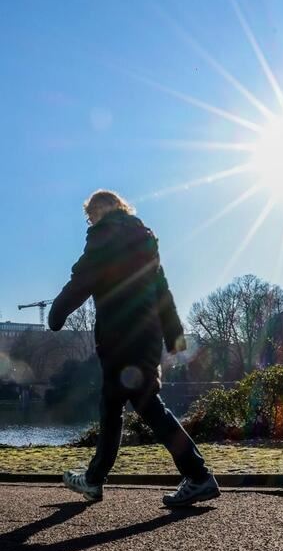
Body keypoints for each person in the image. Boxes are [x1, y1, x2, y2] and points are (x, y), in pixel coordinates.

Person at [48, 190, 220, 508]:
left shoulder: (103, 237)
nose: (90, 220)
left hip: (119, 338)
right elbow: (161, 290)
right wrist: (174, 335)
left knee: (143, 406)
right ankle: (95, 479)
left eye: (91, 214)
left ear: (103, 209)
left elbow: (82, 280)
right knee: (114, 406)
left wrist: (57, 314)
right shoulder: (144, 239)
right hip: (146, 337)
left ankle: (198, 476)